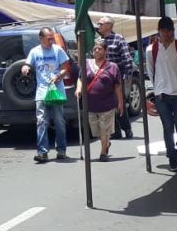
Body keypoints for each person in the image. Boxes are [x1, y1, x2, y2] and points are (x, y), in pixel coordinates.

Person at [145, 17, 177, 172]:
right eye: (164, 30)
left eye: (169, 30)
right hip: (161, 95)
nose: (167, 33)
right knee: (168, 127)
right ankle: (172, 157)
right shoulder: (151, 50)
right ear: (159, 31)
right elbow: (150, 71)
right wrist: (156, 89)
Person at [21, 27, 70, 163]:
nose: (51, 40)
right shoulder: (35, 51)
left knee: (59, 121)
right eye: (48, 38)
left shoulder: (58, 50)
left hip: (56, 91)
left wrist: (59, 75)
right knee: (41, 122)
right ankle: (42, 152)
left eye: (52, 38)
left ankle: (61, 150)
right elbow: (27, 65)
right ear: (41, 39)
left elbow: (66, 66)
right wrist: (25, 68)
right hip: (42, 92)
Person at [75, 39, 124, 162]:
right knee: (96, 131)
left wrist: (120, 102)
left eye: (100, 48)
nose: (97, 51)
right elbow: (80, 79)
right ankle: (106, 144)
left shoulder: (113, 67)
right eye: (95, 48)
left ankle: (103, 153)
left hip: (107, 105)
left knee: (105, 130)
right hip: (90, 105)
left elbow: (117, 86)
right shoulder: (86, 64)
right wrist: (78, 89)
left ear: (106, 51)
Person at [96, 15, 134, 139]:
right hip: (103, 77)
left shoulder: (118, 39)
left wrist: (124, 77)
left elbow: (127, 59)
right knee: (108, 105)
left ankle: (127, 129)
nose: (98, 26)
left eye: (101, 24)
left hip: (117, 76)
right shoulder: (98, 40)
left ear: (109, 26)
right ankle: (115, 131)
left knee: (119, 102)